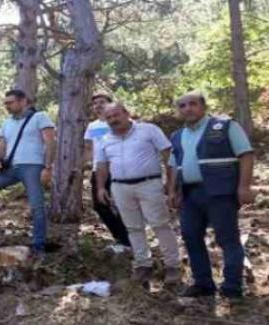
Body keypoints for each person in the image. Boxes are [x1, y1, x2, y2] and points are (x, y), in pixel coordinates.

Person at [168, 93, 255, 299]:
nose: (188, 108)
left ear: (203, 106)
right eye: (182, 106)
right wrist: (172, 191)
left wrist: (244, 187)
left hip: (220, 192)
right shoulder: (177, 135)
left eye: (193, 104)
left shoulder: (226, 126)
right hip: (190, 195)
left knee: (227, 238)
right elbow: (173, 165)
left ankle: (232, 286)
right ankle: (203, 283)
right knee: (191, 236)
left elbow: (246, 155)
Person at [95, 102, 181, 288]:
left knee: (160, 225)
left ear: (127, 113)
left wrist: (171, 184)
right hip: (120, 187)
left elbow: (169, 156)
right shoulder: (104, 140)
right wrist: (101, 188)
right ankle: (143, 265)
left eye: (116, 115)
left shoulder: (148, 130)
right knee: (132, 227)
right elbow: (101, 166)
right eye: (108, 117)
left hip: (149, 183)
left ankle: (173, 266)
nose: (113, 120)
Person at [0, 89, 55, 256]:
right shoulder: (7, 122)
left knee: (36, 205)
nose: (7, 106)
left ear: (23, 101)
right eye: (6, 103)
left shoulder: (40, 117)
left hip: (32, 166)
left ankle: (38, 244)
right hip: (10, 168)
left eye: (10, 103)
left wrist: (48, 167)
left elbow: (50, 142)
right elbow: (3, 145)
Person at [84, 93, 131, 251]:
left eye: (102, 102)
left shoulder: (121, 122)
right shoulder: (92, 126)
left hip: (118, 167)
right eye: (95, 103)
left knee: (122, 204)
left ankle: (128, 240)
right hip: (99, 169)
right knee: (99, 205)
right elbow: (89, 147)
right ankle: (121, 237)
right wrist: (89, 164)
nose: (98, 105)